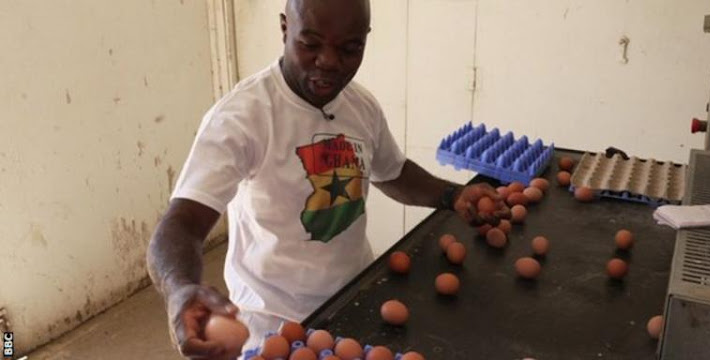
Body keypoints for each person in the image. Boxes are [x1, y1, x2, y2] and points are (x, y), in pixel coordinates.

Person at [146, 0, 508, 358]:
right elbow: (183, 224)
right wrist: (180, 287)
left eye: (350, 48)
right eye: (311, 44)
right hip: (274, 324)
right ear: (286, 28)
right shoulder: (243, 117)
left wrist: (452, 196)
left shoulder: (360, 106)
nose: (330, 62)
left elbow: (392, 171)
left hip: (355, 300)